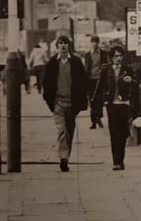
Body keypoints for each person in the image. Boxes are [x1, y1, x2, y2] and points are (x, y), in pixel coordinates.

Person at [42, 35, 88, 172]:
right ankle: (63, 158)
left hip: (72, 104)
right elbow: (46, 83)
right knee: (61, 130)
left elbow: (83, 83)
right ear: (57, 46)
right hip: (58, 103)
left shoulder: (76, 62)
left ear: (69, 46)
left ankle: (66, 155)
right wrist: (50, 102)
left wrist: (80, 103)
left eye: (65, 43)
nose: (63, 46)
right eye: (61, 43)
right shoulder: (52, 63)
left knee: (69, 131)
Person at [103, 45, 137, 171]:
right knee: (114, 133)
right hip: (112, 104)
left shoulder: (127, 69)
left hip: (124, 103)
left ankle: (121, 158)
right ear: (111, 58)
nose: (118, 58)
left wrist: (131, 80)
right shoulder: (107, 70)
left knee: (123, 133)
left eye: (120, 55)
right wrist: (104, 100)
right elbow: (102, 86)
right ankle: (116, 161)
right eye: (116, 56)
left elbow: (136, 83)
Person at [84, 34, 108, 129]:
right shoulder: (87, 54)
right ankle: (93, 121)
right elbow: (86, 67)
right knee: (92, 100)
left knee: (100, 101)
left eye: (96, 42)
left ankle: (99, 118)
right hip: (90, 80)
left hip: (100, 79)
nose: (95, 44)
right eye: (93, 42)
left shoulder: (103, 53)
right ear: (91, 43)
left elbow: (106, 64)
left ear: (99, 43)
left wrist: (104, 67)